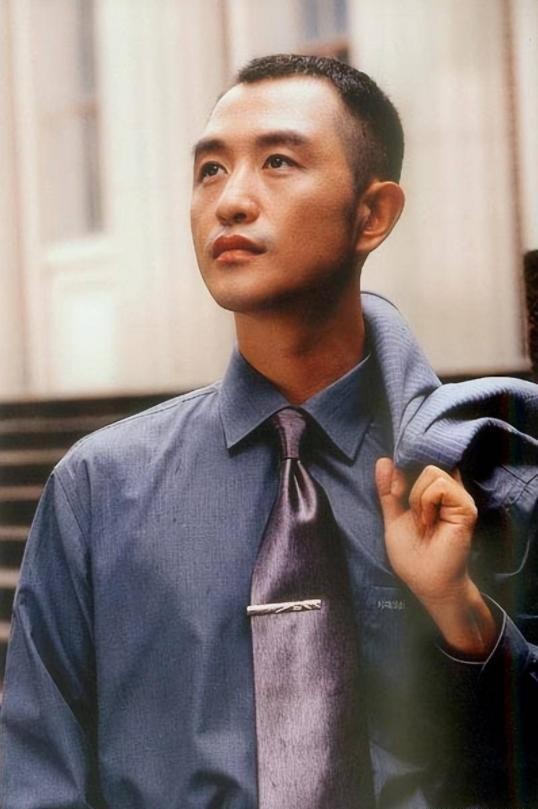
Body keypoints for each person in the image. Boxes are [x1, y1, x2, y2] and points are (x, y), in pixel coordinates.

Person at [1, 54, 537, 809]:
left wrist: (464, 616)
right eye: (210, 170)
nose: (230, 201)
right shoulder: (97, 488)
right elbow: (37, 777)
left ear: (372, 214)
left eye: (279, 161)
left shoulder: (478, 477)